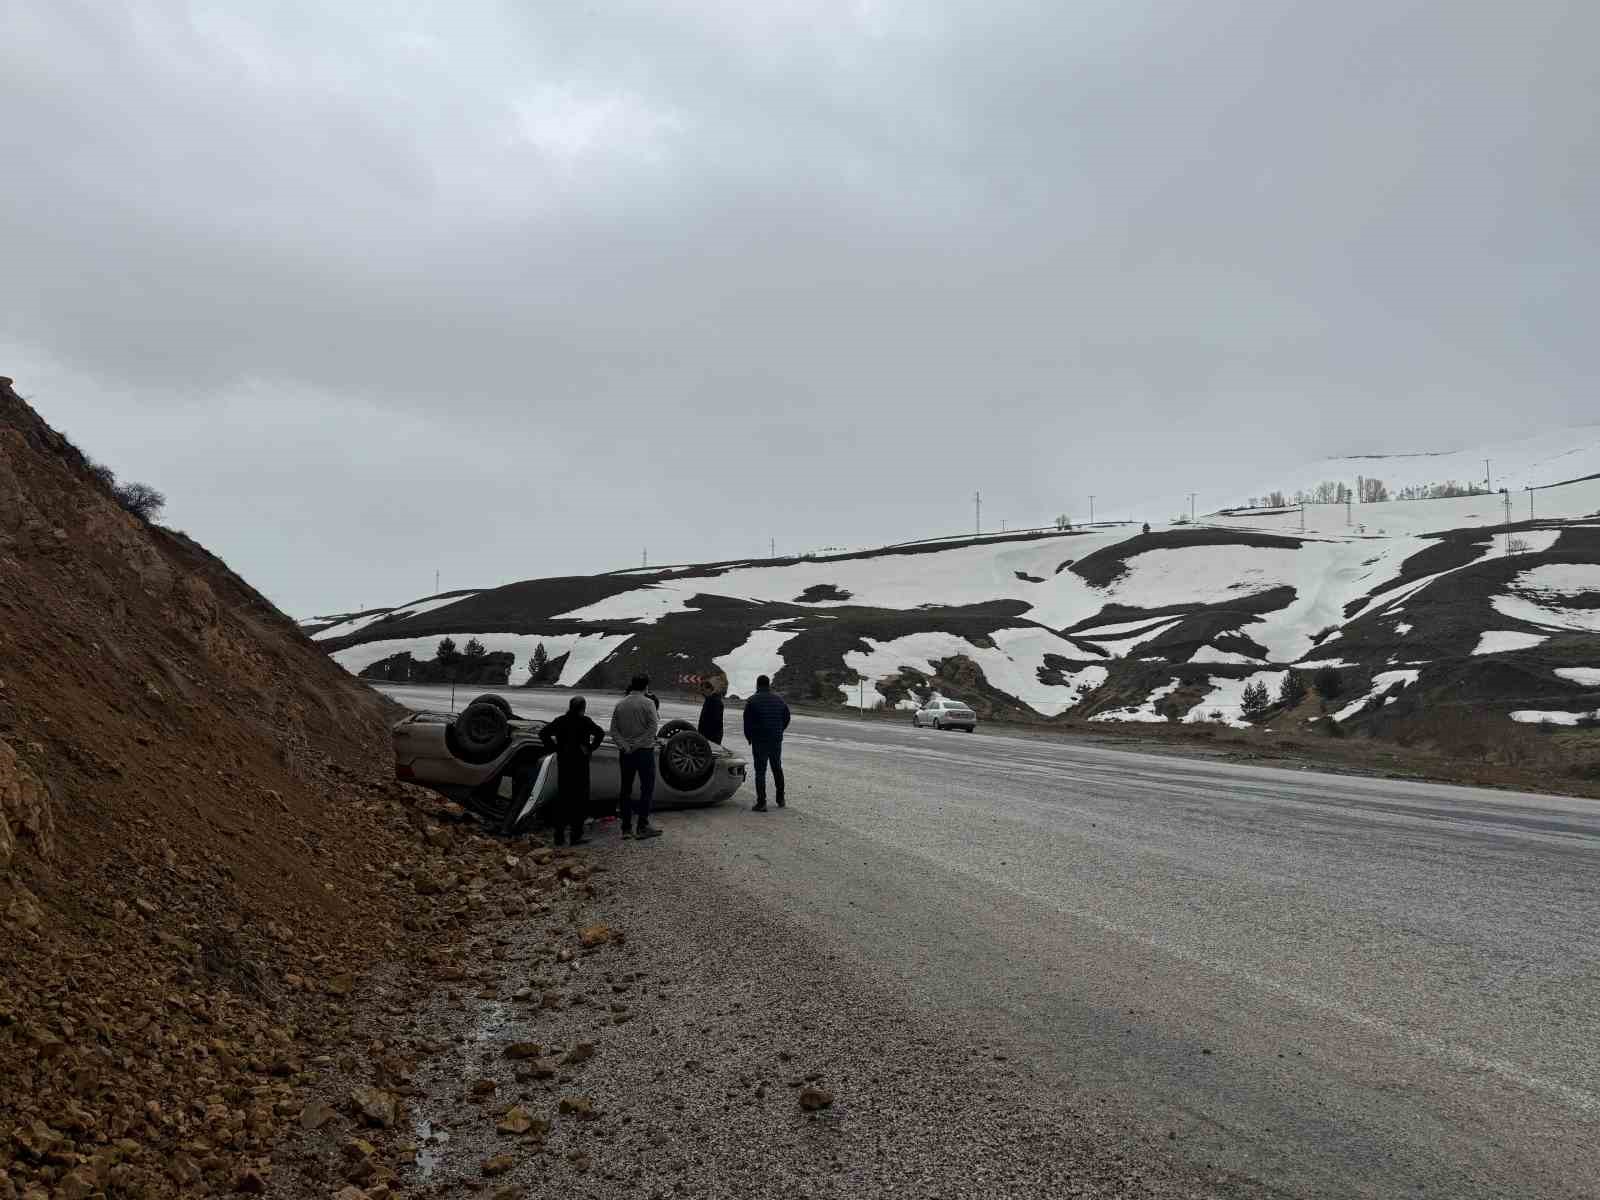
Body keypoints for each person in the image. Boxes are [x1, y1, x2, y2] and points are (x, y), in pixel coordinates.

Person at [538, 696, 605, 847]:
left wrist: (554, 749)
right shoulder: (585, 721)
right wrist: (590, 748)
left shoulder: (560, 720)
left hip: (565, 764)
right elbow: (600, 733)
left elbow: (543, 733)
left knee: (563, 799)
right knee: (580, 801)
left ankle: (559, 836)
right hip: (580, 765)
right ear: (583, 708)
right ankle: (575, 836)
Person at [609, 674, 662, 839]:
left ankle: (625, 828)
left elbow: (614, 730)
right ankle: (642, 826)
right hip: (644, 751)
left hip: (625, 753)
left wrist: (624, 745)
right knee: (646, 788)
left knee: (625, 789)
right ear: (646, 687)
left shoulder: (620, 704)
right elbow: (652, 728)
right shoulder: (649, 703)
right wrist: (637, 744)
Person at [742, 674, 791, 811]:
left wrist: (749, 737)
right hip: (775, 739)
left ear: (757, 685)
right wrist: (779, 730)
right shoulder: (780, 700)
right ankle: (781, 799)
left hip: (759, 740)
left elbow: (747, 721)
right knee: (777, 768)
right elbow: (787, 717)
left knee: (760, 771)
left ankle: (761, 802)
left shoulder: (752, 701)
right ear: (768, 684)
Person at [697, 678, 724, 744]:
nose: (702, 692)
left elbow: (715, 721)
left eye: (703, 690)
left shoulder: (714, 701)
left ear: (709, 689)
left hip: (711, 736)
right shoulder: (710, 699)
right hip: (708, 735)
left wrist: (703, 735)